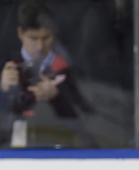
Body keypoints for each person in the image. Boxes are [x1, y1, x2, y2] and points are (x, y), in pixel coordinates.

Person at [0, 0, 93, 147]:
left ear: (54, 34)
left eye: (46, 38)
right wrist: (3, 90)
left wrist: (58, 96)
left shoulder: (70, 66)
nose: (40, 47)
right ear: (20, 33)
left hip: (59, 147)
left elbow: (88, 116)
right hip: (11, 151)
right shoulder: (5, 62)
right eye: (33, 38)